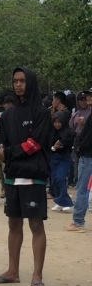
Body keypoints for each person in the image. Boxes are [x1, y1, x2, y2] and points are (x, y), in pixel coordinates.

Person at [0, 67, 50, 286]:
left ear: (30, 83)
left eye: (22, 81)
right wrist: (9, 153)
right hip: (13, 177)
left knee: (36, 224)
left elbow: (35, 144)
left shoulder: (42, 113)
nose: (18, 85)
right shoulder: (8, 116)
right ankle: (12, 271)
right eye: (15, 81)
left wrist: (11, 153)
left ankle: (37, 275)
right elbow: (2, 147)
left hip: (34, 177)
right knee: (13, 223)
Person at [67, 101, 92, 232]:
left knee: (82, 188)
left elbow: (88, 137)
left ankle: (78, 222)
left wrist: (80, 148)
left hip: (88, 156)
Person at [49, 111, 75, 212]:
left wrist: (62, 145)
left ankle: (65, 202)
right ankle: (59, 202)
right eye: (55, 122)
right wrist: (54, 147)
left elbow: (70, 145)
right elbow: (48, 146)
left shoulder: (69, 132)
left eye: (59, 122)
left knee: (61, 178)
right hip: (53, 158)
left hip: (64, 158)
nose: (57, 124)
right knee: (54, 180)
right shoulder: (50, 132)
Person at [68, 90, 91, 188]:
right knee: (76, 161)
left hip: (88, 140)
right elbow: (71, 127)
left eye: (85, 99)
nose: (83, 102)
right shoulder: (75, 113)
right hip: (77, 139)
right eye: (81, 100)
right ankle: (77, 179)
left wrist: (85, 124)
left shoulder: (90, 112)